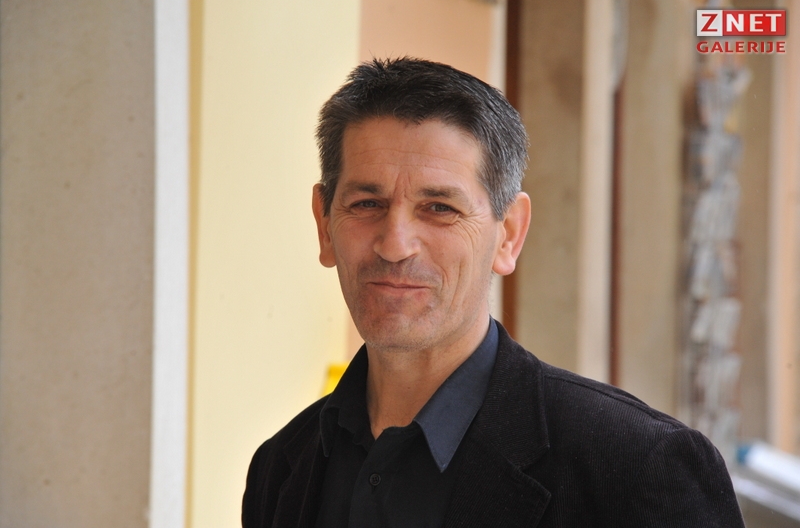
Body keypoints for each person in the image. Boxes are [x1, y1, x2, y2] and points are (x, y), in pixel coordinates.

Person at [242, 58, 745, 528]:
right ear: (324, 225)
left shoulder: (640, 468)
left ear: (509, 235)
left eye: (440, 208)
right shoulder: (281, 468)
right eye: (367, 203)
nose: (395, 245)